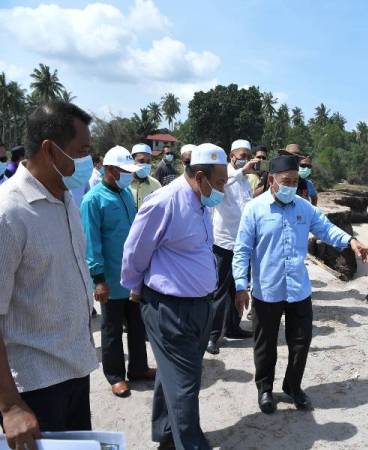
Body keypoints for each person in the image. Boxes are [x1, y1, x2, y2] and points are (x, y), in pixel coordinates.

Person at [233, 155, 368, 415]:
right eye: (286, 181)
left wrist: (351, 242)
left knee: (301, 342)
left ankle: (292, 386)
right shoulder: (254, 209)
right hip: (267, 289)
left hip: (298, 288)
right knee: (266, 344)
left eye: (295, 181)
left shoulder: (303, 207)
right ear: (272, 180)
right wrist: (241, 285)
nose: (291, 185)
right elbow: (241, 250)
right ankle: (265, 388)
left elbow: (325, 228)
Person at [0, 102, 98, 449]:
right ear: (49, 150)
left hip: (74, 371)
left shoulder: (65, 198)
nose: (89, 161)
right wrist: (10, 406)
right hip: (33, 388)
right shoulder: (9, 213)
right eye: (82, 152)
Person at [121, 143, 228, 450]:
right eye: (219, 182)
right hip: (171, 309)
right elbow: (135, 250)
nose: (222, 189)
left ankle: (167, 434)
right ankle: (191, 444)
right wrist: (135, 287)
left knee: (175, 376)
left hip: (199, 307)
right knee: (185, 385)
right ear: (199, 175)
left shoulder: (203, 202)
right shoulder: (165, 202)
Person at [81, 145, 155, 398]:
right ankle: (115, 376)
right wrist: (98, 279)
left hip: (132, 276)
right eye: (125, 171)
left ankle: (138, 368)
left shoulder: (124, 194)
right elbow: (92, 243)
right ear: (111, 170)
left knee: (137, 325)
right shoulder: (93, 199)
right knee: (112, 330)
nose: (130, 176)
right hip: (110, 278)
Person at [207, 139, 259, 355]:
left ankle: (233, 327)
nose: (246, 159)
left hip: (242, 244)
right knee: (219, 292)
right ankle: (212, 336)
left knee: (237, 289)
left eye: (248, 155)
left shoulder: (245, 181)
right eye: (242, 155)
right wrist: (240, 172)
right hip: (224, 242)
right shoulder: (226, 175)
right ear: (232, 157)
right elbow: (216, 188)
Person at [130, 143, 162, 209]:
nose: (145, 164)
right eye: (141, 161)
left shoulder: (156, 185)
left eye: (148, 161)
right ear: (132, 160)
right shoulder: (124, 185)